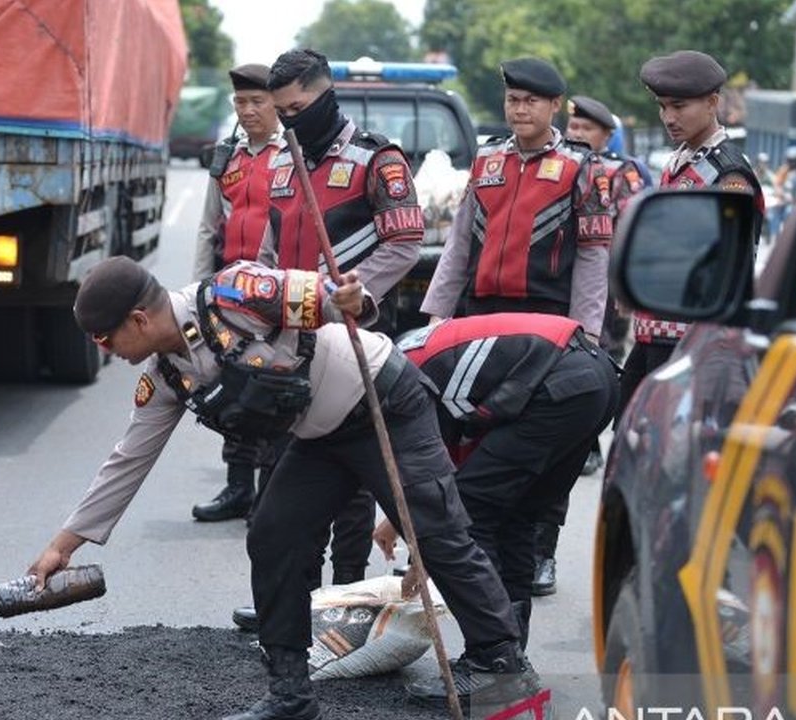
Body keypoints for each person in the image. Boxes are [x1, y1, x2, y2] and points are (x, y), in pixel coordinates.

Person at [27, 257, 542, 719]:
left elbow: (328, 296)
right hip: (322, 440)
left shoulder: (234, 294)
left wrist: (350, 298)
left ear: (138, 320)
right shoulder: (166, 375)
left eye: (104, 338)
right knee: (273, 536)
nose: (106, 351)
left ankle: (502, 669)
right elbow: (128, 459)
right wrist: (62, 545)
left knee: (434, 532)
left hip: (384, 403)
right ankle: (290, 693)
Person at [251, 47, 423, 588]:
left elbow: (404, 244)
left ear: (326, 94)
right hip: (288, 341)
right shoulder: (283, 161)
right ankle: (287, 591)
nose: (291, 119)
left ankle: (348, 589)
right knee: (280, 466)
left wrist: (349, 292)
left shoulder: (378, 160)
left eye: (298, 107)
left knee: (351, 475)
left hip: (353, 337)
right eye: (283, 112)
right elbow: (268, 251)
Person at [373, 312, 620, 649]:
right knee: (516, 517)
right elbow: (447, 464)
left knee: (470, 519)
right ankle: (510, 663)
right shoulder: (411, 355)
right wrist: (403, 526)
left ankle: (491, 658)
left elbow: (441, 483)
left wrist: (425, 552)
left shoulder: (406, 378)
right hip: (596, 377)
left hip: (559, 383)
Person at [518, 95, 644, 598]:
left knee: (573, 421)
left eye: (588, 127)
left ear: (606, 135)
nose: (577, 132)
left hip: (599, 301)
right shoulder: (550, 165)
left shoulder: (619, 173)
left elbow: (631, 230)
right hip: (541, 302)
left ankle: (542, 552)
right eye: (573, 123)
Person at [420, 58, 616, 348]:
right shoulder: (486, 158)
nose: (520, 110)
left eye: (531, 101)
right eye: (513, 100)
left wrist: (586, 334)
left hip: (548, 317)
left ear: (555, 105)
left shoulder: (582, 166)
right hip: (480, 312)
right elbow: (459, 242)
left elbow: (593, 255)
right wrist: (437, 315)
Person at [620, 50, 764, 419]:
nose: (669, 117)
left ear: (713, 102)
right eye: (663, 106)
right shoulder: (684, 161)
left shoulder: (728, 173)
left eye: (679, 106)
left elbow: (730, 270)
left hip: (691, 344)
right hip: (655, 333)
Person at [190, 62, 284, 523]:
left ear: (276, 104)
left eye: (257, 102)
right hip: (227, 297)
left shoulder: (294, 157)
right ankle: (237, 488)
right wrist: (197, 293)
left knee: (269, 390)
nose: (247, 111)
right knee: (230, 388)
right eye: (240, 103)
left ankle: (269, 492)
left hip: (273, 296)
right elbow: (210, 228)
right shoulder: (227, 157)